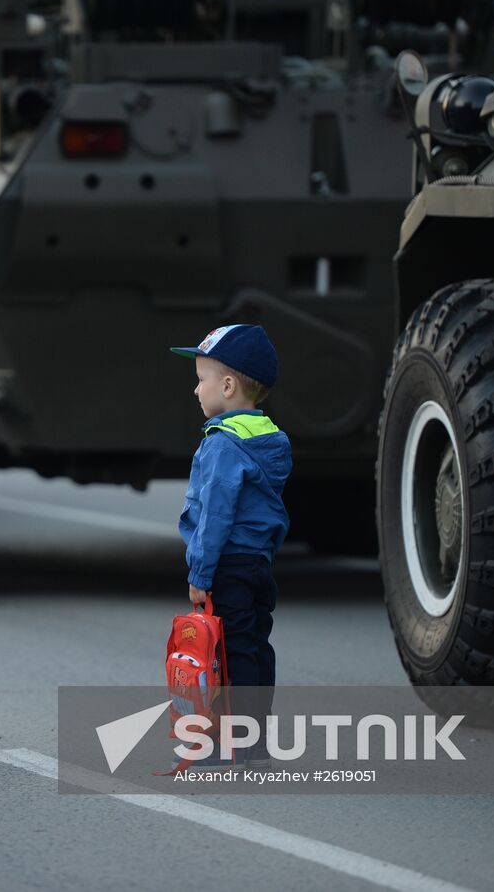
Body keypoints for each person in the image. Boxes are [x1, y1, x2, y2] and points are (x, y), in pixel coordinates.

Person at [170, 324, 292, 764]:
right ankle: (256, 740)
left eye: (201, 379)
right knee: (255, 649)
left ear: (227, 384)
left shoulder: (223, 444)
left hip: (227, 565)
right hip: (258, 564)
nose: (195, 389)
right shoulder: (270, 438)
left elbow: (215, 515)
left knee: (226, 655)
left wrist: (200, 574)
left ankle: (230, 745)